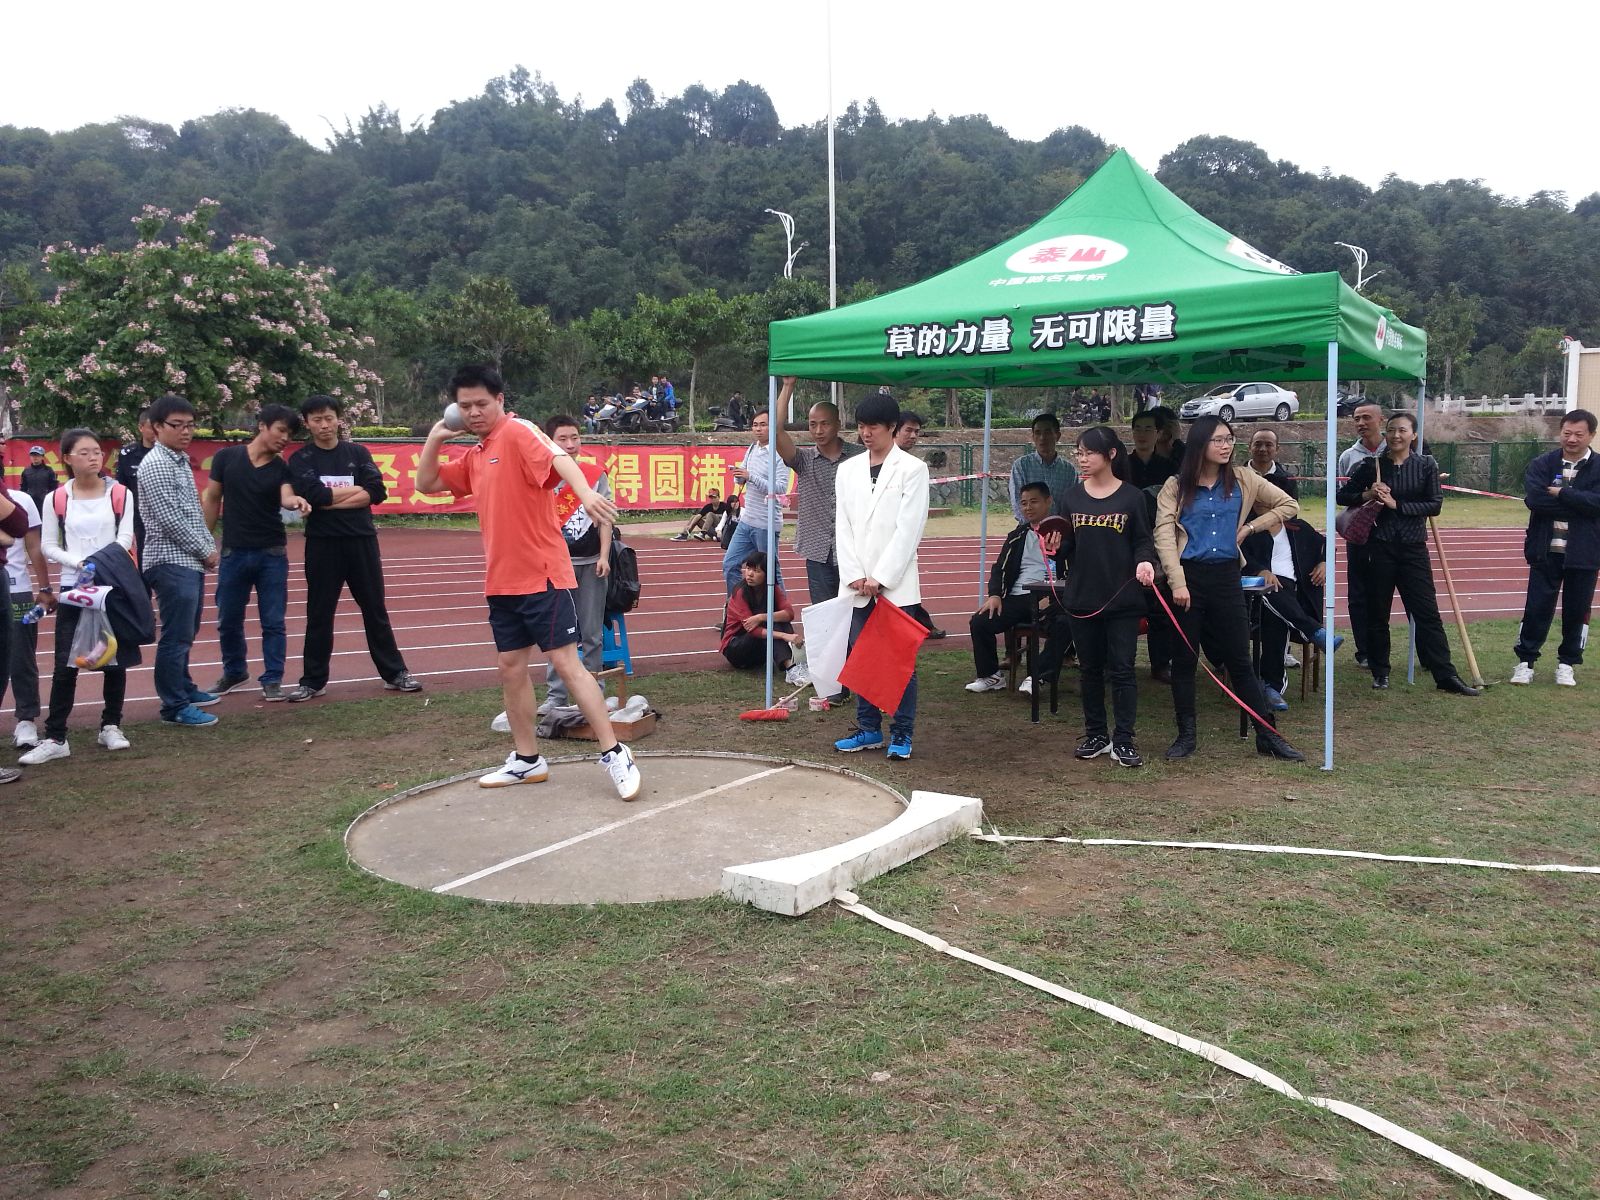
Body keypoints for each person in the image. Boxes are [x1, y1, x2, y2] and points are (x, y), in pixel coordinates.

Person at [416, 365, 640, 798]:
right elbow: (426, 482)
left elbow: (559, 458)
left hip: (543, 575)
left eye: (482, 403)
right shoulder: (476, 455)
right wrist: (437, 437)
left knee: (567, 664)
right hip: (502, 582)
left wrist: (587, 494)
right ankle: (527, 760)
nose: (474, 412)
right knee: (510, 668)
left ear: (500, 400)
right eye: (465, 406)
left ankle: (615, 752)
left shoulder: (519, 431)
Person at [1154, 415, 1305, 761]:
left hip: (1226, 577)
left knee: (1240, 660)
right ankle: (1186, 735)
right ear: (1200, 444)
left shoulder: (1243, 478)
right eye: (1218, 440)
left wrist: (1251, 527)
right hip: (1188, 578)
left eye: (1229, 439)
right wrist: (1177, 582)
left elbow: (1289, 505)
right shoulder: (1175, 486)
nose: (1226, 446)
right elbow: (1163, 536)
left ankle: (1267, 735)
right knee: (1185, 660)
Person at [283, 394, 420, 703]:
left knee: (375, 609)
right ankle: (313, 681)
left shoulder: (357, 453)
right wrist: (355, 491)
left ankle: (394, 673)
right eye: (317, 420)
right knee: (319, 613)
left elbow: (377, 491)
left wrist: (329, 502)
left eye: (329, 418)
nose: (324, 425)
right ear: (307, 424)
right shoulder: (302, 459)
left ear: (338, 419)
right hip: (322, 545)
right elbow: (314, 495)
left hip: (361, 541)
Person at [1337, 412, 1479, 696]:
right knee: (1378, 614)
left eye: (1402, 430)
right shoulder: (1372, 465)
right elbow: (1342, 496)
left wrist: (1396, 505)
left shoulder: (1426, 465)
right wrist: (1368, 494)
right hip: (1379, 547)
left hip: (1414, 549)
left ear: (1414, 435)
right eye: (1391, 430)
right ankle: (1380, 672)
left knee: (1428, 613)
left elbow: (1434, 504)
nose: (1396, 436)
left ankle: (1445, 675)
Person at [20, 428, 137, 764]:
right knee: (65, 662)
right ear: (68, 458)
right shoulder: (56, 498)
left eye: (97, 451)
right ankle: (56, 736)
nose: (93, 457)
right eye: (84, 453)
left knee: (113, 657)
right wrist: (79, 564)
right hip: (74, 588)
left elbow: (125, 537)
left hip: (110, 584)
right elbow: (48, 545)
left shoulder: (120, 493)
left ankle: (111, 726)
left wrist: (99, 563)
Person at [832, 391, 930, 761]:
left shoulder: (912, 469)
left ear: (891, 427)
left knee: (898, 661)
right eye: (861, 426)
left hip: (896, 585)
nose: (866, 433)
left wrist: (881, 577)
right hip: (857, 584)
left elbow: (909, 530)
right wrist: (855, 575)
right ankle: (868, 728)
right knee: (862, 658)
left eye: (873, 426)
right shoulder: (847, 470)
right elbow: (843, 526)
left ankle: (901, 732)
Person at [1055, 428, 1158, 767]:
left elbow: (1143, 540)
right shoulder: (1071, 498)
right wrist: (1053, 546)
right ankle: (1096, 734)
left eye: (1089, 452)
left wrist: (1145, 561)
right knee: (1090, 670)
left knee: (1123, 669)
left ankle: (1124, 739)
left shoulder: (1132, 497)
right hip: (1082, 598)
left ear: (1111, 454)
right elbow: (1066, 546)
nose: (1082, 459)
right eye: (1079, 452)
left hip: (1123, 598)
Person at [202, 405, 312, 701]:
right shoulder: (226, 458)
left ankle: (272, 678)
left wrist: (295, 501)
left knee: (273, 621)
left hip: (271, 554)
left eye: (290, 434)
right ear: (262, 425)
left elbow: (286, 496)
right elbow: (212, 498)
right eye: (281, 430)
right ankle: (234, 671)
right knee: (228, 619)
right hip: (233, 553)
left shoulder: (281, 468)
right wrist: (204, 541)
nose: (285, 438)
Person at [137, 394, 221, 727]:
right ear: (157, 427)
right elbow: (170, 519)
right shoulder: (157, 464)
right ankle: (174, 705)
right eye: (177, 425)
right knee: (176, 635)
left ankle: (183, 688)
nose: (186, 431)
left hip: (188, 560)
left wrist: (206, 546)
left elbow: (193, 513)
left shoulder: (179, 460)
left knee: (186, 630)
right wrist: (205, 550)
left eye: (190, 425)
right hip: (169, 561)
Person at [1510, 409, 1600, 686]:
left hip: (1584, 553)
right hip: (1544, 550)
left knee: (1577, 610)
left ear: (1591, 435)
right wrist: (1581, 505)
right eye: (1567, 433)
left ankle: (1567, 664)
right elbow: (1535, 500)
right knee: (1536, 608)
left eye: (1578, 434)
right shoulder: (1543, 463)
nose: (1571, 439)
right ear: (1560, 432)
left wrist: (1563, 493)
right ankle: (1525, 662)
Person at [963, 481, 1070, 695]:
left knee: (1066, 623)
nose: (1028, 507)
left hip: (1050, 597)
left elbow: (1071, 569)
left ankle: (1038, 677)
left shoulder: (1064, 534)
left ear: (1048, 502)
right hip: (1017, 597)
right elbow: (999, 568)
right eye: (1024, 503)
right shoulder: (1017, 536)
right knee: (980, 621)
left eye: (1034, 502)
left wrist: (1052, 595)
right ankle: (991, 676)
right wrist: (995, 595)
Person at [540, 414, 612, 713]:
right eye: (563, 439)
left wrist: (605, 555)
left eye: (575, 438)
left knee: (592, 633)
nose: (570, 444)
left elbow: (606, 518)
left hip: (592, 563)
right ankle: (556, 696)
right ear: (549, 442)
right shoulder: (541, 476)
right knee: (558, 635)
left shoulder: (594, 474)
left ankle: (595, 692)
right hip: (557, 567)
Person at [772, 376, 859, 609]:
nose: (818, 430)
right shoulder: (803, 460)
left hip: (854, 552)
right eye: (813, 424)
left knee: (858, 614)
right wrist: (788, 386)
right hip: (817, 552)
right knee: (825, 615)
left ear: (838, 424)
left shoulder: (860, 457)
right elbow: (776, 431)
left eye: (825, 424)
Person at [1240, 516, 1343, 711]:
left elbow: (1326, 544)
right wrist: (1260, 570)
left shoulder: (1298, 527)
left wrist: (1324, 562)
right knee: (1273, 600)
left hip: (1296, 598)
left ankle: (1271, 686)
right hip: (1256, 599)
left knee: (1276, 614)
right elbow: (1238, 557)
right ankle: (1315, 633)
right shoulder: (1248, 530)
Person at [1128, 410, 1179, 682]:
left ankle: (1161, 663)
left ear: (1159, 433)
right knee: (1127, 603)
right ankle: (1121, 662)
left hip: (1161, 540)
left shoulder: (1170, 468)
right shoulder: (1121, 466)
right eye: (1138, 428)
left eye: (1149, 428)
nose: (1143, 434)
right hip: (1128, 542)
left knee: (1161, 604)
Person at [1337, 401, 1387, 667]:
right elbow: (1343, 497)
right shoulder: (1348, 457)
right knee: (1358, 594)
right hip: (1360, 532)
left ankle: (1426, 653)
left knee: (1392, 591)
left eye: (1367, 417)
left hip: (1393, 533)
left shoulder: (1398, 449)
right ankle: (1364, 651)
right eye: (1356, 418)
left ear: (1381, 420)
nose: (1361, 423)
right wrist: (1367, 494)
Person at [721, 409, 791, 596]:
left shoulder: (779, 453)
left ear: (772, 427)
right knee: (730, 564)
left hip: (766, 524)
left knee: (771, 572)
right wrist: (739, 475)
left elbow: (780, 488)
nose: (758, 429)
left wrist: (750, 476)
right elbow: (742, 477)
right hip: (747, 521)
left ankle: (781, 611)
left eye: (763, 425)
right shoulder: (752, 448)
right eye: (755, 425)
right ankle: (738, 607)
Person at [891, 412, 948, 639]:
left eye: (917, 431)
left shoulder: (914, 467)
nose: (914, 436)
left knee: (906, 590)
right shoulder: (875, 462)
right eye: (909, 430)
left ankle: (921, 626)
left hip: (904, 543)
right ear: (894, 430)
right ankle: (921, 626)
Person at [4, 484, 49, 751]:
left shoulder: (21, 500)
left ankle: (26, 719)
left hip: (16, 589)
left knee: (21, 658)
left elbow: (34, 546)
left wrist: (45, 588)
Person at [720, 551, 800, 671]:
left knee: (775, 619)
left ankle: (792, 665)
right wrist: (785, 636)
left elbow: (789, 613)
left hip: (759, 649)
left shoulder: (772, 588)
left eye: (756, 571)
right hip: (736, 648)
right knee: (769, 621)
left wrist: (761, 617)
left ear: (767, 574)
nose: (750, 574)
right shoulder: (740, 592)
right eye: (748, 568)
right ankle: (792, 668)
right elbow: (752, 630)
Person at [1009, 413, 1073, 520]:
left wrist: (1059, 526)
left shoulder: (1069, 471)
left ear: (1057, 435)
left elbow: (1071, 504)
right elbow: (1017, 502)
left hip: (1058, 528)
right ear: (1033, 437)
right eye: (1038, 433)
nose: (1042, 438)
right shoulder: (1021, 466)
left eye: (1047, 432)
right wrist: (1031, 527)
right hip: (1029, 527)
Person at [115, 406, 157, 562]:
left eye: (158, 427)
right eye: (151, 427)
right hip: (139, 515)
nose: (155, 432)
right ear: (141, 427)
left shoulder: (169, 454)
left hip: (164, 513)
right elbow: (121, 488)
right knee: (143, 553)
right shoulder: (128, 454)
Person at [1248, 428, 1299, 498]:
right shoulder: (1237, 477)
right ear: (1249, 447)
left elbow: (1291, 504)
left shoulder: (1287, 480)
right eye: (1258, 444)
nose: (1262, 449)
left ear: (1277, 449)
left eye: (1268, 445)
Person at [20, 446, 57, 513]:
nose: (35, 457)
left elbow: (53, 488)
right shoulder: (26, 471)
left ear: (42, 457)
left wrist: (48, 499)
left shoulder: (49, 471)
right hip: (30, 503)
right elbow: (23, 488)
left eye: (37, 455)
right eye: (33, 455)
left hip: (45, 503)